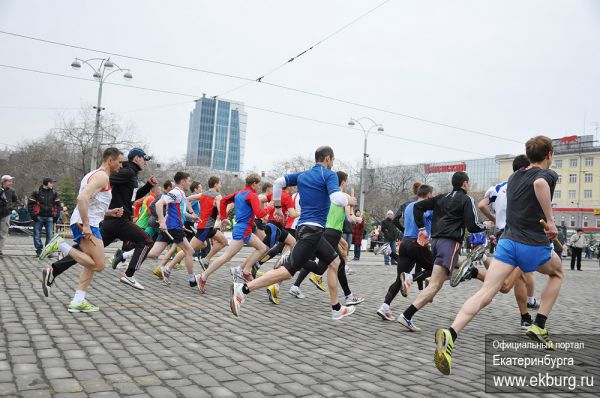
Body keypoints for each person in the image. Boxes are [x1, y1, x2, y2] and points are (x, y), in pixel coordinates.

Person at [434, 135, 563, 375]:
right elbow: (540, 186)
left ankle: (451, 334)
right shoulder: (547, 175)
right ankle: (539, 325)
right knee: (557, 272)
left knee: (487, 293)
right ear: (549, 155)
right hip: (532, 244)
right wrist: (552, 222)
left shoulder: (513, 178)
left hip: (507, 243)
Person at [229, 146, 358, 320]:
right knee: (287, 272)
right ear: (328, 158)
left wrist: (277, 208)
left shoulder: (303, 175)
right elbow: (336, 198)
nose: (332, 163)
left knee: (335, 262)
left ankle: (336, 308)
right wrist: (348, 199)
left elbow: (278, 183)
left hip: (310, 229)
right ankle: (243, 289)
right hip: (312, 231)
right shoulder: (328, 175)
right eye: (332, 160)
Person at [395, 171, 491, 332]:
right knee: (436, 284)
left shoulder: (441, 197)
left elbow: (418, 206)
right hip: (450, 243)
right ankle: (406, 315)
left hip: (436, 242)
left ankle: (463, 272)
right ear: (465, 184)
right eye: (468, 183)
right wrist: (485, 225)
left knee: (440, 277)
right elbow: (472, 225)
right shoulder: (466, 199)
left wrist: (422, 229)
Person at [39, 148, 124, 312]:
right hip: (86, 224)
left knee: (90, 263)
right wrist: (85, 224)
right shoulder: (102, 176)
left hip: (88, 221)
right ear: (110, 160)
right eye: (119, 162)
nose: (121, 165)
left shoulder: (94, 175)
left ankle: (78, 301)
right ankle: (61, 245)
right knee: (99, 265)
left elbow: (91, 202)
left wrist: (109, 213)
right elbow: (81, 198)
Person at [194, 173, 272, 293]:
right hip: (243, 230)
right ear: (254, 183)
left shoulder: (238, 193)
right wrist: (270, 207)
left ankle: (245, 271)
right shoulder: (251, 195)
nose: (259, 187)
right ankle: (202, 276)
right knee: (227, 256)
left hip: (244, 229)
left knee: (262, 248)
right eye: (258, 184)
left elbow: (224, 201)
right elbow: (260, 214)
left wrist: (225, 217)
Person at [377, 184, 434, 321]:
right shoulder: (426, 208)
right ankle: (411, 279)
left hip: (405, 243)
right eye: (432, 195)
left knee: (399, 278)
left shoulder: (409, 206)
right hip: (417, 244)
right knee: (435, 268)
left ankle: (385, 306)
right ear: (428, 195)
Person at [146, 172, 198, 286]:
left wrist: (192, 217)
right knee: (189, 251)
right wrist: (162, 222)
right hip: (173, 227)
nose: (189, 183)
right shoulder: (175, 192)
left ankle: (127, 254)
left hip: (173, 227)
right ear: (183, 181)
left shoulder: (181, 194)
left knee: (153, 254)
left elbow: (182, 212)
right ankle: (192, 279)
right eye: (188, 181)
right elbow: (159, 204)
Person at [28, 178, 63, 257]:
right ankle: (39, 251)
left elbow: (58, 205)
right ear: (46, 183)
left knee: (50, 235)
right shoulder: (36, 193)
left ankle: (48, 250)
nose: (52, 184)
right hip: (38, 216)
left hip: (50, 217)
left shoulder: (54, 193)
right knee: (37, 234)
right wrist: (33, 215)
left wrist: (56, 216)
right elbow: (30, 204)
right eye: (51, 183)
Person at [0, 175, 19, 256]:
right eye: (9, 181)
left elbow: (16, 201)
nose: (11, 183)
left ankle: (0, 250)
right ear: (4, 182)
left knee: (3, 233)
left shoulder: (12, 191)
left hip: (6, 214)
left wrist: (10, 208)